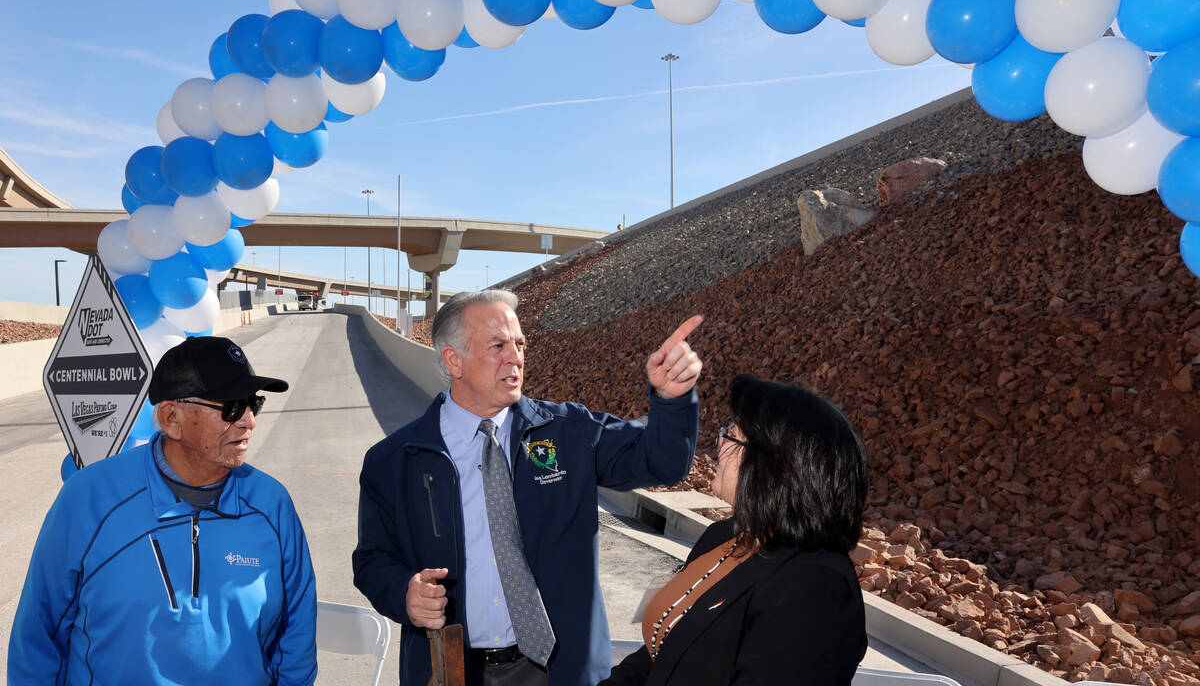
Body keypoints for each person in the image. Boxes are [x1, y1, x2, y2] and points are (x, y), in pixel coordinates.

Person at [352, 289, 704, 686]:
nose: (515, 357)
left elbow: (662, 462)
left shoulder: (569, 432)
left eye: (519, 344)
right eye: (498, 345)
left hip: (560, 670)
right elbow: (372, 560)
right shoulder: (396, 459)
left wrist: (672, 401)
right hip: (452, 672)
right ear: (454, 360)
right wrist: (404, 594)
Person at [8, 336, 318, 686]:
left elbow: (297, 633)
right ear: (172, 417)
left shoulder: (272, 504)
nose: (249, 421)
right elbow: (38, 637)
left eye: (253, 404)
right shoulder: (88, 499)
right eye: (232, 406)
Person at [600, 374, 869, 686]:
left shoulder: (815, 588)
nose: (717, 444)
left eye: (731, 435)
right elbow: (662, 651)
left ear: (773, 467)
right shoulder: (726, 536)